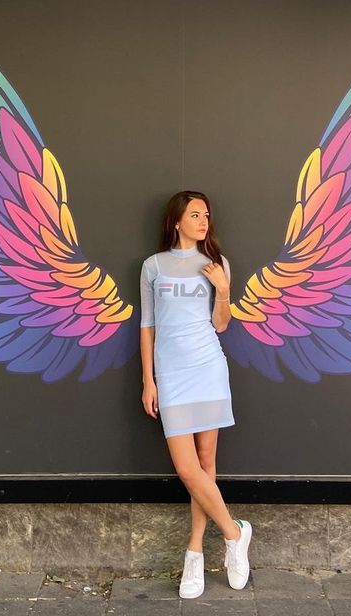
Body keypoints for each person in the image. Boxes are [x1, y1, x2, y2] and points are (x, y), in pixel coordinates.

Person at [139, 190, 252, 599]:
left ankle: (194, 554)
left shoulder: (217, 264)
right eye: (194, 214)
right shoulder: (153, 266)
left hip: (208, 368)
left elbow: (221, 325)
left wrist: (222, 289)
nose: (203, 220)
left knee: (206, 464)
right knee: (188, 470)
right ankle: (234, 533)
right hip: (171, 374)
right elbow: (147, 327)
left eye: (207, 214)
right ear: (176, 221)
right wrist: (148, 380)